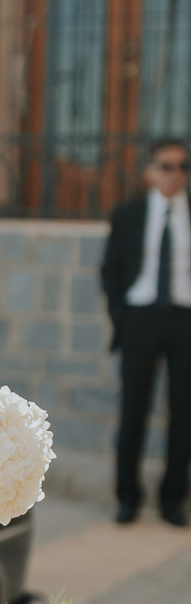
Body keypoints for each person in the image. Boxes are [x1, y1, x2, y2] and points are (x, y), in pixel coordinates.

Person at [102, 137, 191, 527]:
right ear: (150, 171)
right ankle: (127, 497)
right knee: (133, 410)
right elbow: (111, 271)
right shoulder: (129, 213)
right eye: (167, 166)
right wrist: (122, 318)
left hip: (185, 319)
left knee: (184, 414)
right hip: (140, 318)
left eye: (183, 167)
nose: (176, 174)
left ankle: (173, 500)